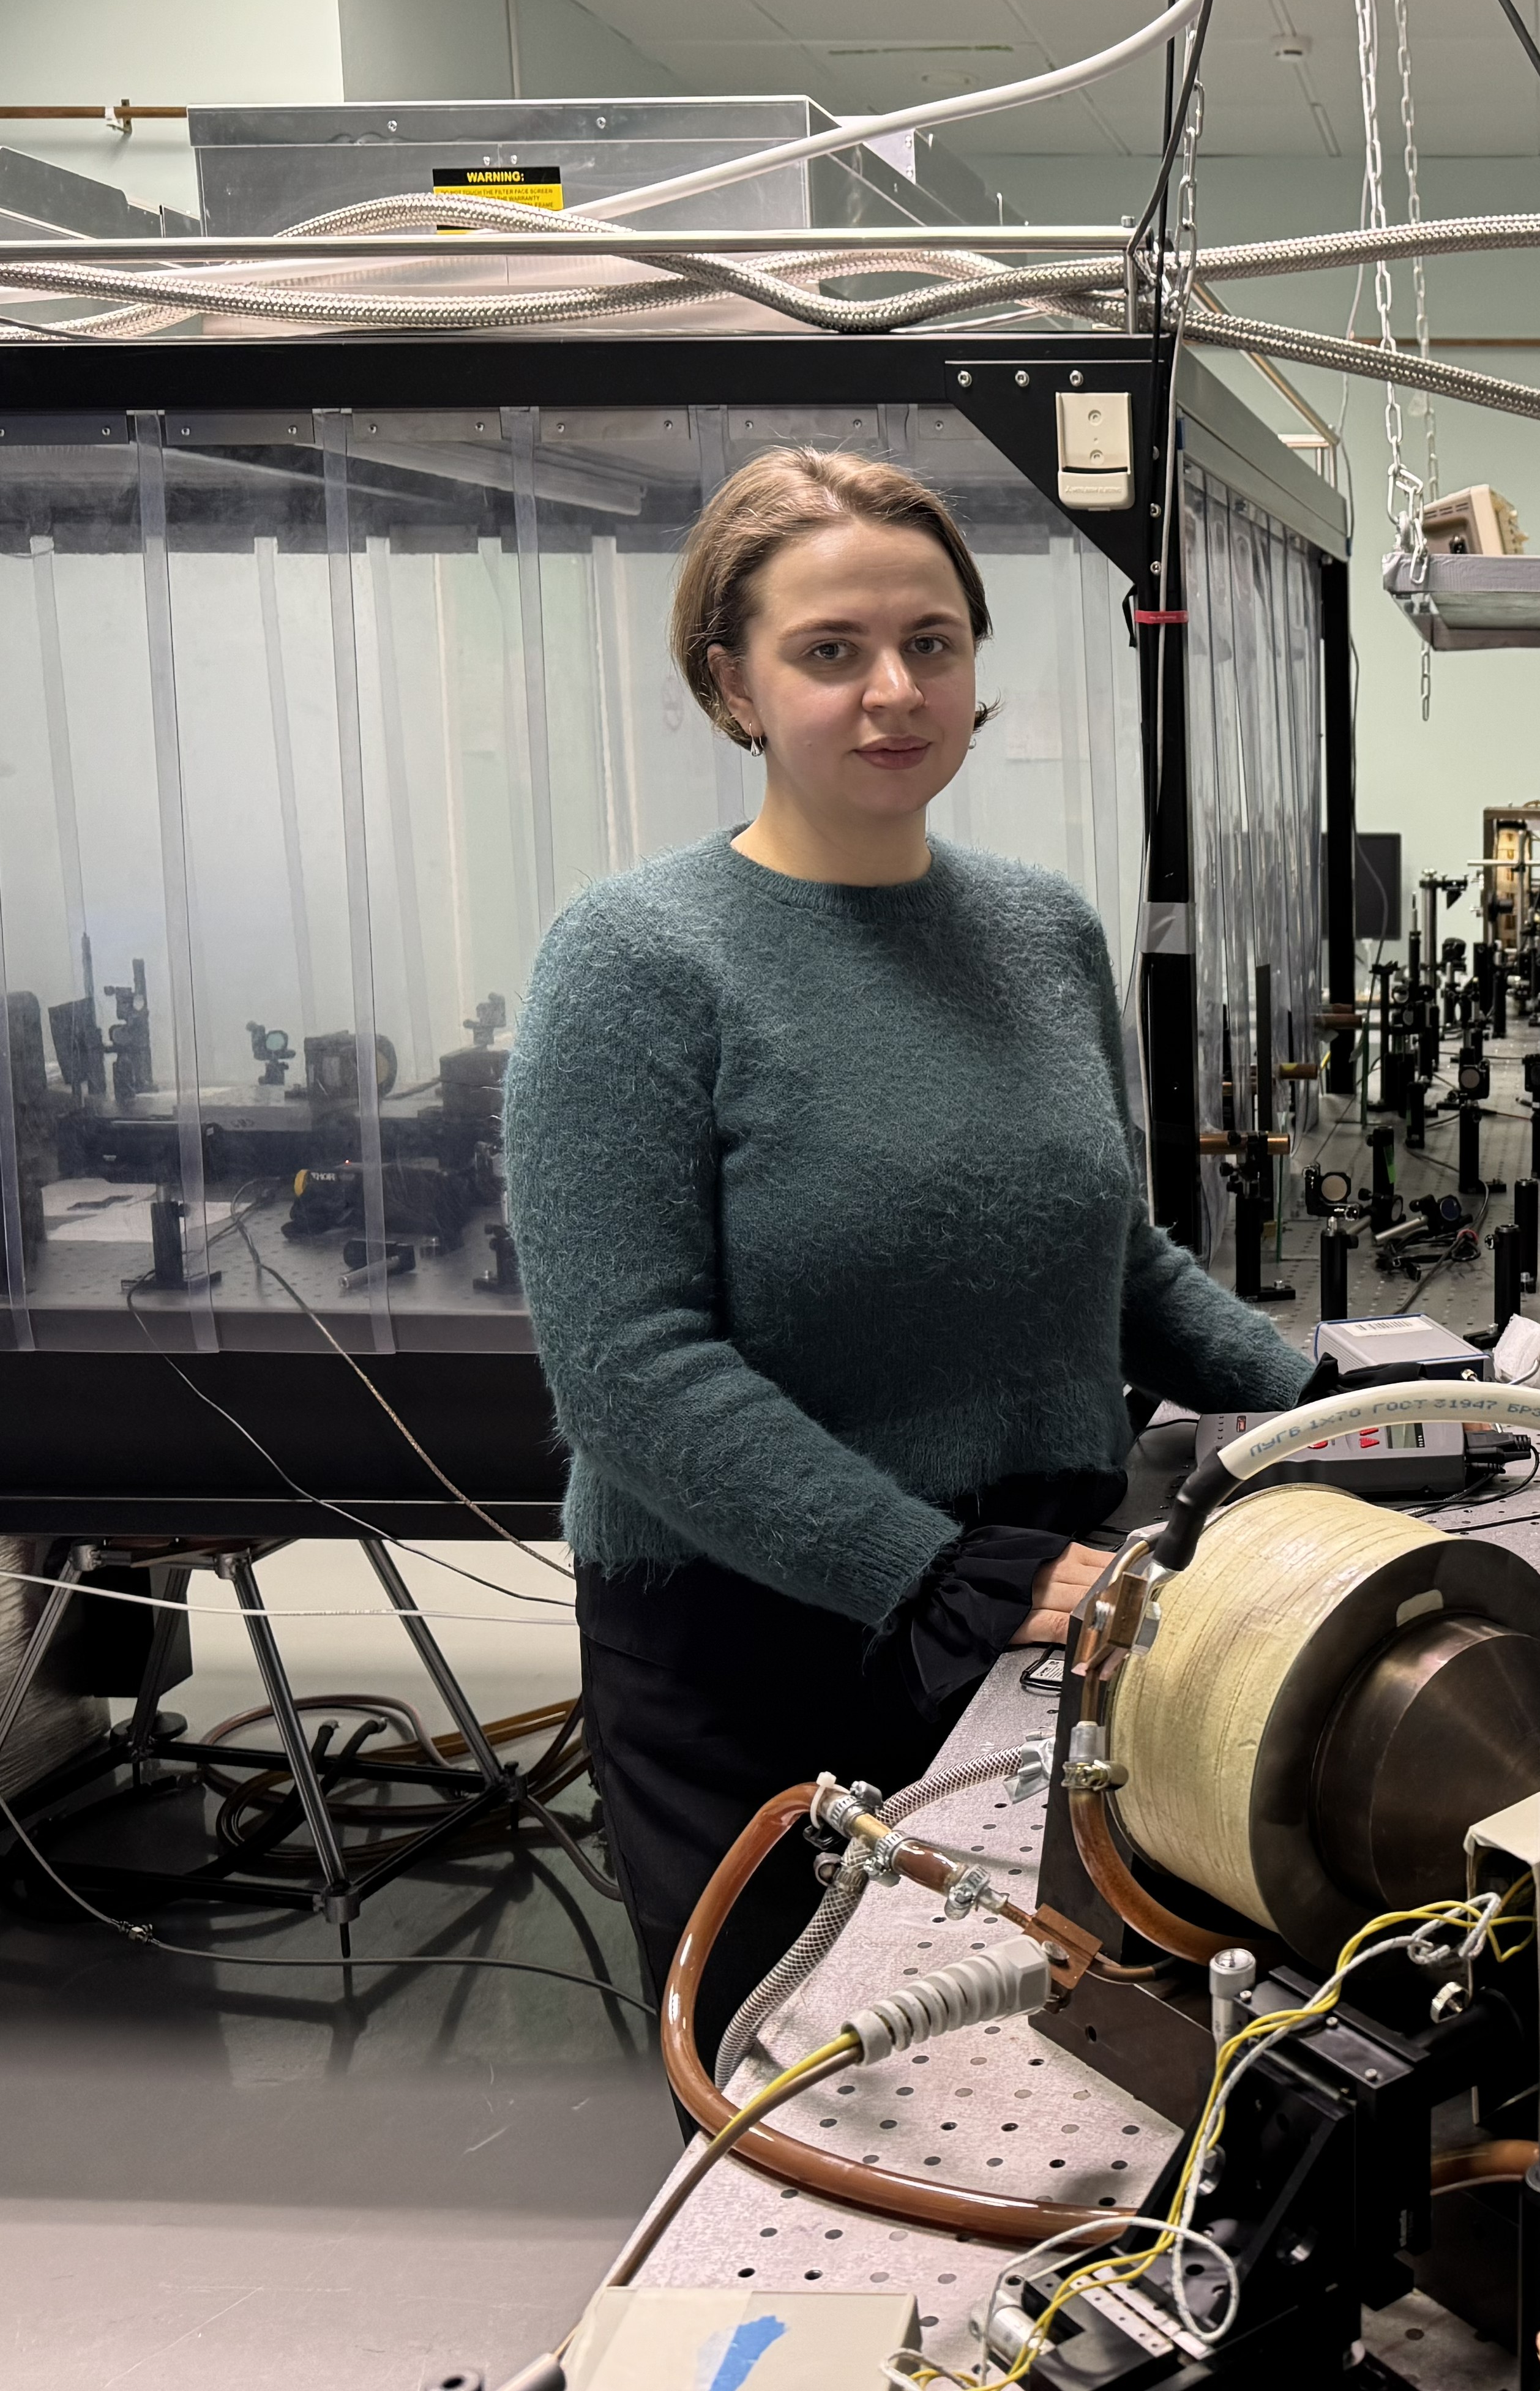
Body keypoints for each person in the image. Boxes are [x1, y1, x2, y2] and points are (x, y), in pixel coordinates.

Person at [504, 447, 1310, 2058]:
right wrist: (930, 1575)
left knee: (1061, 2055)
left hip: (1033, 1595)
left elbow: (1112, 1261)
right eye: (832, 650)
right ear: (730, 684)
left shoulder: (1041, 929)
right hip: (757, 1639)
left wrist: (1340, 1404)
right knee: (802, 2081)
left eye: (930, 643)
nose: (894, 690)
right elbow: (627, 1373)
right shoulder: (636, 958)